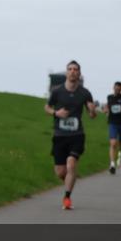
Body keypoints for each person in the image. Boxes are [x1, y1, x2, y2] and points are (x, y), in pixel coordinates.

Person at [45, 60, 97, 210]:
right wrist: (56, 113)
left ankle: (67, 198)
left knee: (71, 164)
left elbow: (92, 115)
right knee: (61, 171)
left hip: (77, 135)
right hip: (59, 135)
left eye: (76, 69)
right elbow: (47, 107)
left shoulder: (85, 93)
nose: (73, 71)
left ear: (79, 74)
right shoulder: (57, 91)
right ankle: (71, 179)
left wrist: (92, 110)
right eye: (70, 69)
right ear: (67, 72)